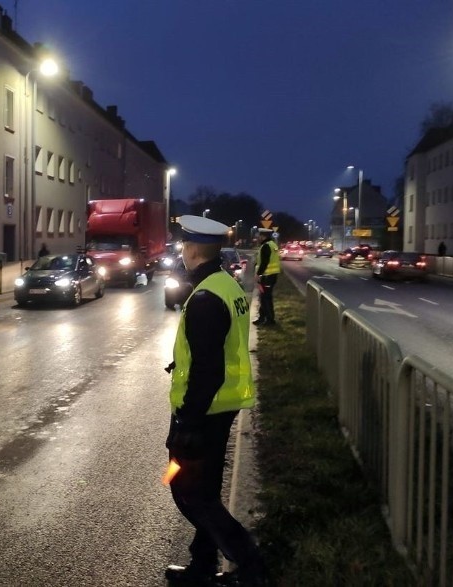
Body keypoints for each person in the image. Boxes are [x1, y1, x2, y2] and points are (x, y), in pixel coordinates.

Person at [164, 215, 269, 587]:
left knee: (189, 492)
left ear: (191, 249)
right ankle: (202, 565)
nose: (181, 250)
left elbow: (207, 370)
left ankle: (251, 567)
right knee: (202, 490)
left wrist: (188, 424)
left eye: (182, 245)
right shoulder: (224, 283)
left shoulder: (207, 297)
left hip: (203, 414)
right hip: (219, 409)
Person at [252, 228, 281, 326]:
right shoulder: (272, 245)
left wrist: (258, 274)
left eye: (259, 235)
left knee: (266, 298)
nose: (257, 237)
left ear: (263, 236)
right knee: (264, 297)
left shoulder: (266, 246)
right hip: (271, 275)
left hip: (267, 276)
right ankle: (262, 318)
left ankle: (270, 320)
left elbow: (264, 262)